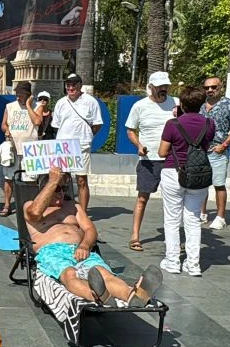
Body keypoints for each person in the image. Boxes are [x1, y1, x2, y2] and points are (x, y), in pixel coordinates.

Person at [24, 167, 162, 307]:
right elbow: (34, 214)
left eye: (64, 188)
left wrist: (85, 245)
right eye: (57, 189)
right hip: (52, 251)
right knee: (70, 275)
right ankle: (97, 296)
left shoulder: (73, 206)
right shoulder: (30, 205)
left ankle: (133, 295)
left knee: (104, 274)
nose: (61, 193)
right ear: (44, 188)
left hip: (80, 249)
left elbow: (90, 229)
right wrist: (53, 181)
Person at [157, 86, 215, 277]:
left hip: (174, 172)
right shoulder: (209, 123)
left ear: (181, 103)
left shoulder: (172, 124)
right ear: (201, 104)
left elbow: (162, 152)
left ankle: (173, 261)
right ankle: (193, 264)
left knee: (172, 219)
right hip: (199, 175)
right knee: (193, 219)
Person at [124, 72, 177, 252]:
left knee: (174, 201)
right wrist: (138, 144)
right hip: (148, 160)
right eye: (160, 86)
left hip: (172, 159)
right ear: (151, 87)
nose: (163, 89)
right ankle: (135, 236)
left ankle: (174, 240)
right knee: (142, 198)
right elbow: (130, 130)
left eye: (166, 86)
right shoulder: (140, 106)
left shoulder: (176, 103)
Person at [50, 73, 103, 211]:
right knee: (61, 179)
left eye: (73, 84)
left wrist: (88, 136)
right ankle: (62, 209)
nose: (70, 87)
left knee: (81, 180)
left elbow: (97, 124)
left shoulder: (91, 101)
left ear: (80, 85)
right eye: (68, 84)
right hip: (63, 147)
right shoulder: (61, 103)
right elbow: (56, 125)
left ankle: (83, 213)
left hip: (82, 146)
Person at [199, 77, 230, 229]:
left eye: (213, 87)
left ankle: (220, 217)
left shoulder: (229, 104)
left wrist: (224, 145)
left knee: (219, 184)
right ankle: (201, 213)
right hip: (201, 150)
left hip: (218, 150)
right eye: (207, 87)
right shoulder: (201, 105)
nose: (210, 90)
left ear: (220, 87)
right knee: (201, 183)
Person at [0, 82, 43, 216]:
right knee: (8, 177)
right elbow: (3, 124)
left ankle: (29, 205)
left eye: (21, 95)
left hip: (30, 148)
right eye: (17, 95)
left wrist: (29, 106)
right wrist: (6, 130)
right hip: (13, 146)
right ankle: (7, 204)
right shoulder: (10, 106)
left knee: (30, 178)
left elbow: (37, 122)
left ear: (28, 95)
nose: (18, 98)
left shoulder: (38, 106)